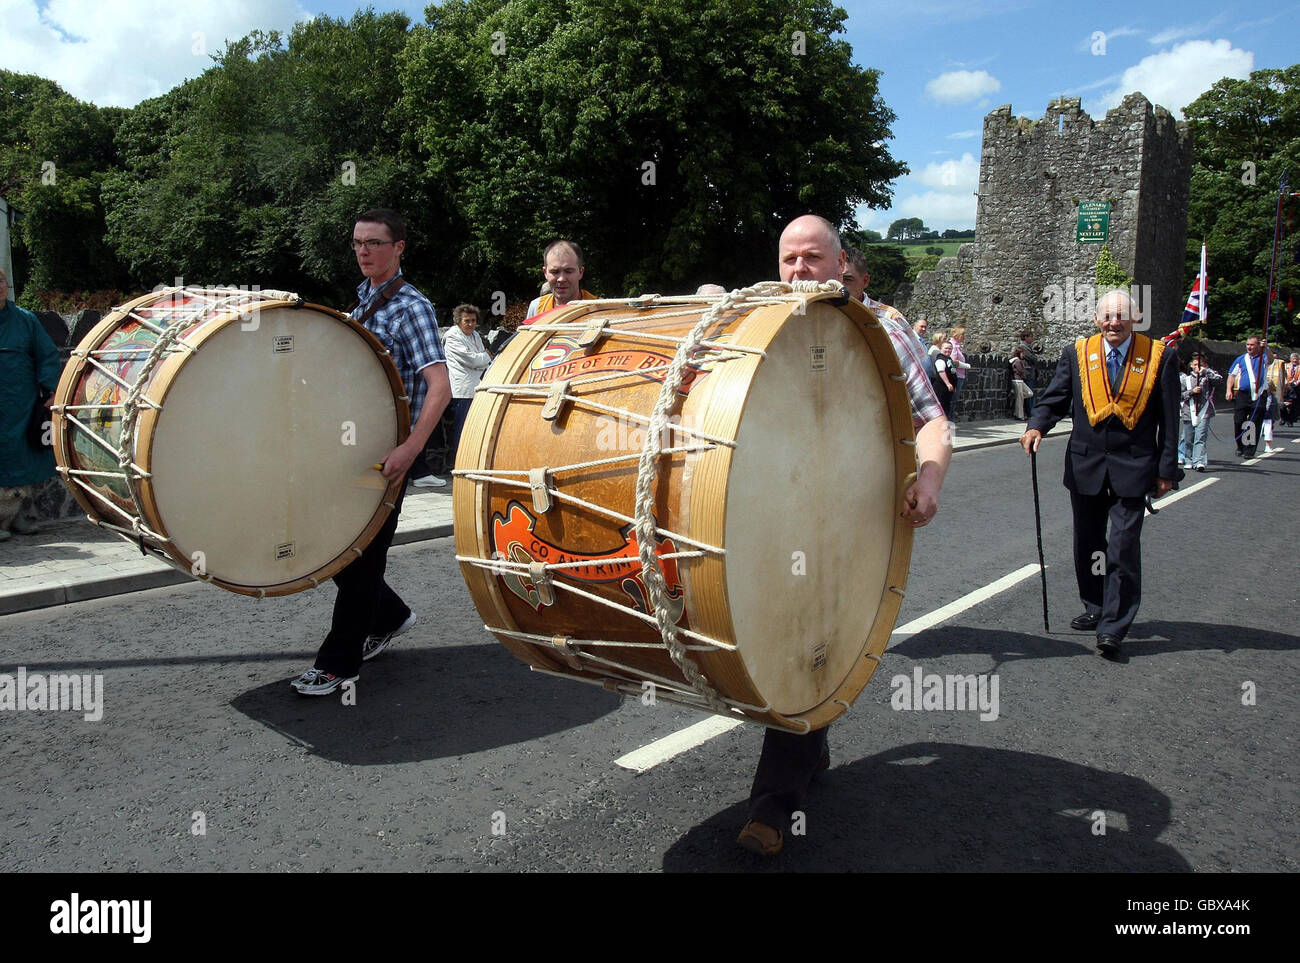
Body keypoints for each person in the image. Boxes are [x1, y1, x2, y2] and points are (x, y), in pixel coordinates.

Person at [739, 214, 950, 856]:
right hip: (775, 517)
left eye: (812, 259)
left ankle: (773, 807)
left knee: (809, 636)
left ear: (840, 265)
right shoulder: (761, 323)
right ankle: (814, 738)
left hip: (850, 520)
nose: (798, 272)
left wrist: (930, 482)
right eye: (788, 261)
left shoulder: (881, 331)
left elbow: (932, 419)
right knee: (788, 632)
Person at [289, 209, 451, 695]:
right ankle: (392, 616)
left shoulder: (411, 307)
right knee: (342, 550)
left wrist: (409, 450)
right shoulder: (365, 299)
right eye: (358, 242)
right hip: (350, 450)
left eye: (375, 243)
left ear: (399, 247)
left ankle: (339, 664)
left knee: (361, 556)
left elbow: (439, 387)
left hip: (386, 457)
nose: (363, 251)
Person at [1020, 290, 1181, 659]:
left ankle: (1114, 625)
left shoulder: (1160, 357)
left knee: (1123, 547)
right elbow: (1057, 398)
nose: (1113, 322)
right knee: (1090, 543)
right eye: (1107, 316)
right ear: (1096, 319)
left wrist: (1166, 470)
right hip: (1086, 464)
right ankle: (1095, 605)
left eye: (1121, 316)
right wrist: (1036, 426)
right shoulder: (1078, 354)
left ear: (1135, 318)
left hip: (1135, 467)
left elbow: (1170, 420)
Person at [0, 267, 62, 541]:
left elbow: (47, 355)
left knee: (24, 459)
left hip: (20, 404)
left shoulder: (25, 320)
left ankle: (20, 516)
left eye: (0, 280)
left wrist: (51, 390)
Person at [443, 303, 492, 461]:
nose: (471, 324)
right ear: (458, 321)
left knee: (473, 428)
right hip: (462, 390)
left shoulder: (475, 335)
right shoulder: (452, 336)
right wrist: (485, 357)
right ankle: (457, 461)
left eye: (473, 320)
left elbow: (479, 359)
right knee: (460, 428)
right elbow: (472, 360)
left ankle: (469, 459)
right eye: (467, 321)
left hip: (476, 387)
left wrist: (481, 358)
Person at [524, 240, 597, 320]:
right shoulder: (537, 307)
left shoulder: (600, 308)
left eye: (568, 271)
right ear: (545, 273)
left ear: (580, 272)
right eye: (555, 272)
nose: (561, 279)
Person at [1178, 352, 1222, 472]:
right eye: (1195, 364)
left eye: (1200, 365)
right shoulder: (1184, 379)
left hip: (1204, 411)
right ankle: (1188, 459)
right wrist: (1192, 391)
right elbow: (1179, 395)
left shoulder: (1208, 378)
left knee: (1200, 437)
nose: (1197, 367)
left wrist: (1206, 371)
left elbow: (1219, 380)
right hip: (1188, 411)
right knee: (1188, 437)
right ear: (1191, 365)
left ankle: (1199, 461)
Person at [1225, 335, 1267, 458]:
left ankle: (1249, 450)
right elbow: (1231, 375)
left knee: (1254, 422)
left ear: (1258, 345)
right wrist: (1229, 390)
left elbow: (1270, 358)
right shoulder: (1241, 359)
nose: (1249, 347)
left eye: (1252, 344)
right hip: (1242, 394)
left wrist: (1266, 348)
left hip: (1259, 394)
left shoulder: (1263, 358)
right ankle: (1240, 445)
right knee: (1238, 421)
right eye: (1248, 344)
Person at [948, 325, 971, 414]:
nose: (964, 337)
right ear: (957, 335)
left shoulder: (957, 345)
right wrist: (966, 366)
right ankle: (948, 422)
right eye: (962, 334)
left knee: (953, 401)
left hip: (959, 375)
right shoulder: (953, 345)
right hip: (956, 376)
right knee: (952, 400)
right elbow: (953, 362)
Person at [931, 335, 956, 417]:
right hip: (941, 388)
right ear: (941, 348)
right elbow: (941, 371)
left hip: (947, 390)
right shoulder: (941, 359)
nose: (948, 350)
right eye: (946, 348)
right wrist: (948, 383)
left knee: (946, 407)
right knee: (941, 409)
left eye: (950, 348)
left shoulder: (948, 359)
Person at [1017, 329, 1038, 418]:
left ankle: (1029, 411)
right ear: (1026, 337)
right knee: (1029, 394)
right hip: (1027, 373)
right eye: (1030, 337)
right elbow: (1032, 358)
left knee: (1029, 394)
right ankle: (1030, 412)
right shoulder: (1023, 347)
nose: (1032, 339)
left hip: (1029, 373)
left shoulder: (1027, 347)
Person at [1009, 347, 1034, 419]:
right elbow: (1020, 371)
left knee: (1029, 393)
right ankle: (1019, 415)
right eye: (1022, 353)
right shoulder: (1018, 361)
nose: (1023, 355)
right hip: (1018, 381)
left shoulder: (1016, 361)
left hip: (1020, 381)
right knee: (1019, 400)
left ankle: (1017, 413)